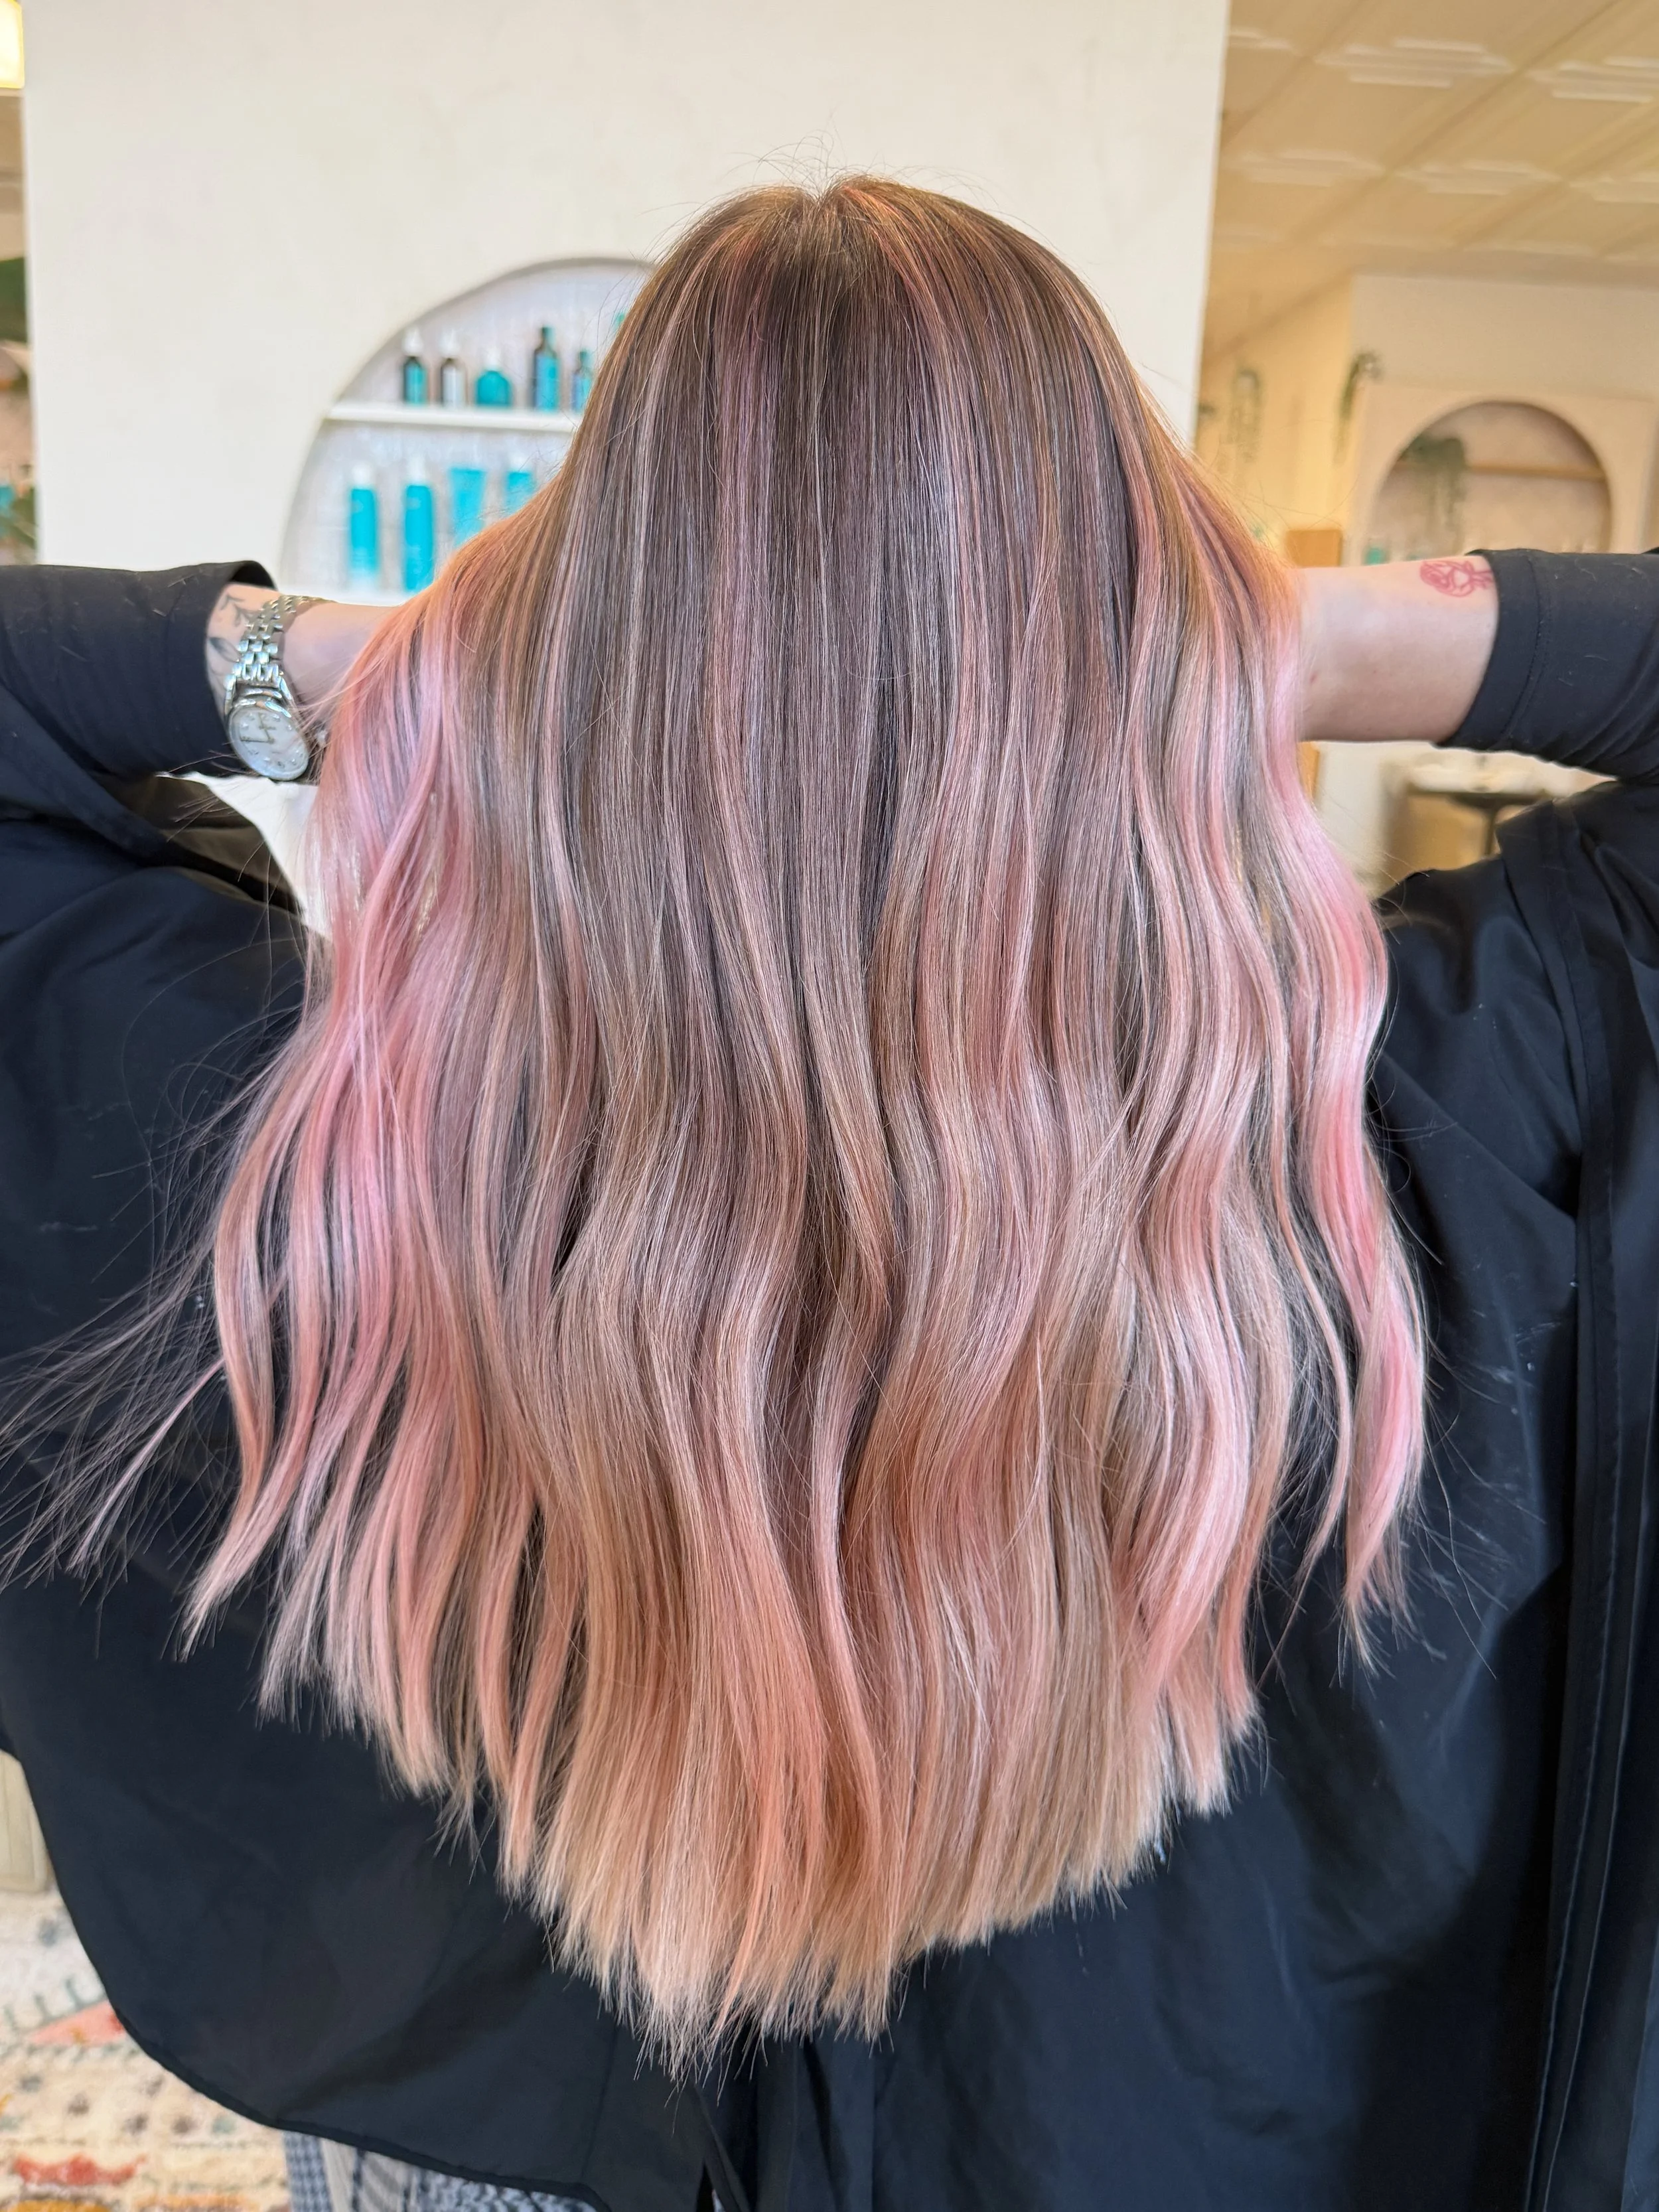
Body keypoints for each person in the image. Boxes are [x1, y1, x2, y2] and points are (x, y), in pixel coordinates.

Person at [1, 177, 1656, 2212]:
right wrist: (1290, 639)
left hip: (522, 2145)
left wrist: (368, 667)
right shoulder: (1415, 1130)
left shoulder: (316, 1165)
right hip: (1161, 2138)